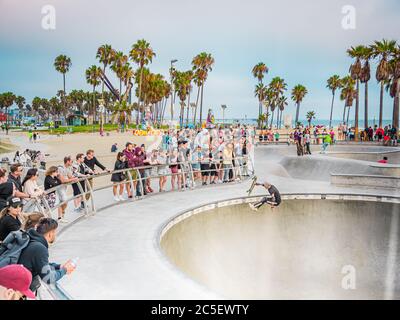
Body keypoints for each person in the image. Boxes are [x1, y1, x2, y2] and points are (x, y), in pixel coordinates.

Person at [17, 218, 76, 292]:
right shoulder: (39, 248)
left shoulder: (31, 239)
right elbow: (48, 278)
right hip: (18, 289)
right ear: (50, 233)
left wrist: (58, 266)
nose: (55, 235)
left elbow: (41, 265)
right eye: (55, 232)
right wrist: (64, 270)